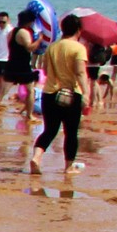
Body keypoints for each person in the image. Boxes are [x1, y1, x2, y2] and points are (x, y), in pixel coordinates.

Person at [30, 13, 89, 175]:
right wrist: (86, 93)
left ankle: (36, 157)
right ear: (78, 30)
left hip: (49, 93)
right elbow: (80, 73)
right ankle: (69, 166)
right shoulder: (78, 48)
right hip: (71, 94)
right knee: (71, 132)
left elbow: (46, 69)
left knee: (49, 130)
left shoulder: (52, 47)